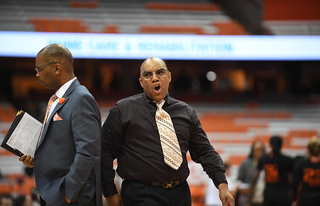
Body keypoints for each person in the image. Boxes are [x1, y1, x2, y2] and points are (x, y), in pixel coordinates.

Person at [101, 57, 234, 206]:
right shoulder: (122, 110)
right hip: (140, 194)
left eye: (160, 73)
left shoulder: (186, 112)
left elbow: (205, 151)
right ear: (141, 82)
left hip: (181, 194)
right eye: (148, 74)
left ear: (169, 77)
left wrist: (222, 185)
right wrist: (110, 192)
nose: (154, 78)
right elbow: (104, 153)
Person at [19, 43, 102, 206]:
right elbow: (63, 147)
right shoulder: (58, 99)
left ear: (57, 68)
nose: (37, 74)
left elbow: (88, 152)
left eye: (39, 69)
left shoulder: (81, 99)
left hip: (71, 198)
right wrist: (38, 158)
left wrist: (67, 193)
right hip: (55, 194)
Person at [247, 136, 293, 206]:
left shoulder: (264, 159)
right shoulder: (287, 160)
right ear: (281, 145)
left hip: (269, 195)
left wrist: (249, 200)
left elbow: (255, 179)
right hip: (283, 195)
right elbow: (291, 179)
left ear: (270, 145)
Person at [291, 136, 320, 206]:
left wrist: (294, 199)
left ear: (308, 149)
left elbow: (295, 183)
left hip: (304, 198)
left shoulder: (301, 164)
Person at [237, 140, 265, 206]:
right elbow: (239, 180)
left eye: (260, 150)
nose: (258, 153)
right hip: (248, 197)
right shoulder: (246, 163)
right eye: (256, 150)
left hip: (263, 198)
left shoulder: (267, 163)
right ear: (252, 151)